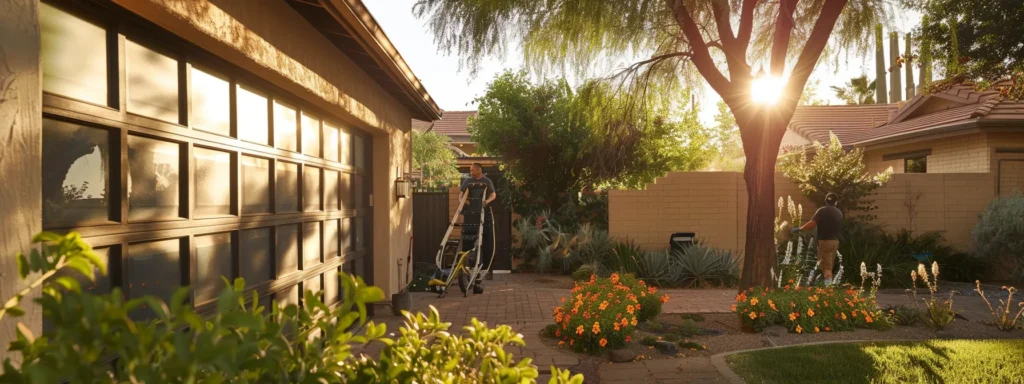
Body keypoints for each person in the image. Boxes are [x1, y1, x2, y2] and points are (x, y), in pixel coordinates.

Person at [792, 193, 843, 285]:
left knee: (826, 268)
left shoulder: (822, 211)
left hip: (824, 242)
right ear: (836, 202)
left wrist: (800, 229)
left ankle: (828, 290)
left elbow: (813, 223)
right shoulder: (838, 213)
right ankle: (827, 286)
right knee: (829, 266)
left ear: (826, 200)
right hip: (834, 241)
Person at [460, 163, 497, 287]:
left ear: (479, 170)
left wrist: (486, 201)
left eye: (472, 170)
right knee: (468, 242)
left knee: (486, 242)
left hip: (484, 215)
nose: (470, 172)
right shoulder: (467, 181)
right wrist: (462, 201)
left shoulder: (487, 181)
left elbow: (493, 194)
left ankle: (487, 269)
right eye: (470, 170)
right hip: (470, 215)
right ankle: (466, 269)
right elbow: (461, 194)